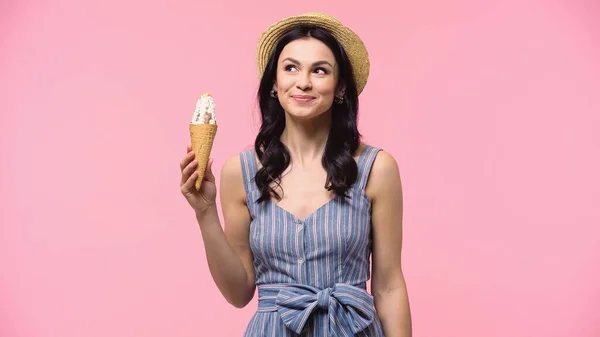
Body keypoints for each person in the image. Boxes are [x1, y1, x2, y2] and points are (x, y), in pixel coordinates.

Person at [180, 12, 412, 337]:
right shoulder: (241, 172)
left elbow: (389, 287)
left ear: (341, 86)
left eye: (319, 70)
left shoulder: (376, 169)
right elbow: (238, 292)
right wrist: (205, 211)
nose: (303, 82)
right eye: (290, 68)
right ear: (275, 83)